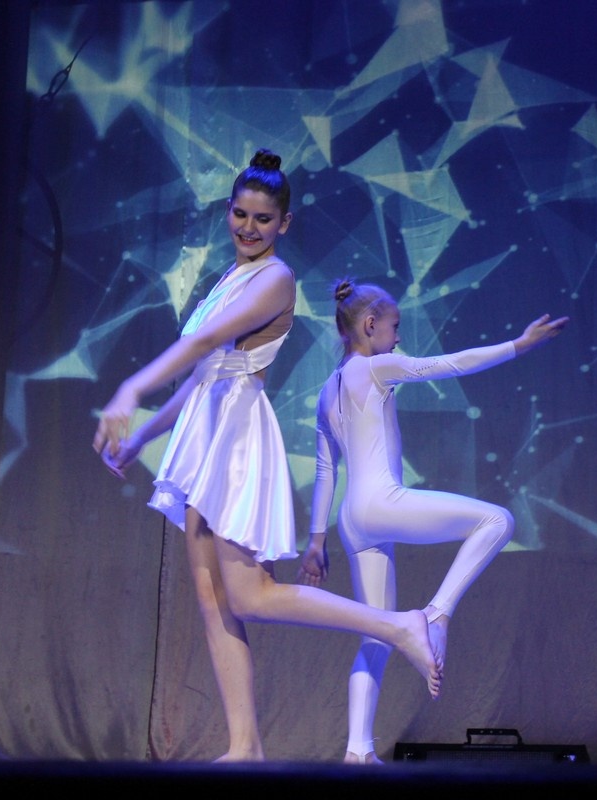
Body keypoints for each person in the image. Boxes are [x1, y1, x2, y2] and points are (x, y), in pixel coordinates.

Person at [92, 151, 440, 763]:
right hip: (205, 430)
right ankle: (244, 746)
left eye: (262, 218)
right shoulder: (231, 276)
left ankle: (398, 624)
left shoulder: (276, 278)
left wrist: (131, 389)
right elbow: (202, 373)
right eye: (240, 214)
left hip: (235, 436)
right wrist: (145, 435)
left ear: (284, 223)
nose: (248, 227)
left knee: (251, 594)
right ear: (228, 212)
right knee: (213, 599)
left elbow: (205, 341)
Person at [297, 278, 569, 764]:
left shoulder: (326, 391)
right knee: (498, 521)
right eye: (395, 326)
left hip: (352, 522)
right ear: (370, 325)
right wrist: (519, 345)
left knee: (377, 635)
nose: (399, 337)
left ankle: (358, 752)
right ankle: (436, 615)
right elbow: (450, 364)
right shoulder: (376, 368)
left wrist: (316, 540)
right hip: (383, 503)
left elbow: (324, 471)